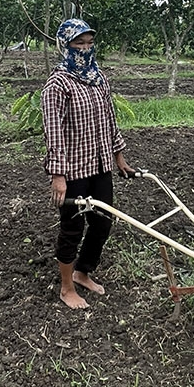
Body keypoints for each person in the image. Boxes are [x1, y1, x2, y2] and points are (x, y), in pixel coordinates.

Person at [41, 18, 136, 309]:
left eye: (89, 43)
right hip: (73, 171)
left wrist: (119, 155)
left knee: (102, 222)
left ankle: (83, 272)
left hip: (100, 164)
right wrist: (58, 174)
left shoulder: (98, 78)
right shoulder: (57, 84)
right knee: (72, 229)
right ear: (65, 45)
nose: (84, 49)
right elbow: (53, 131)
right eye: (78, 43)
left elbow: (109, 119)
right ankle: (66, 288)